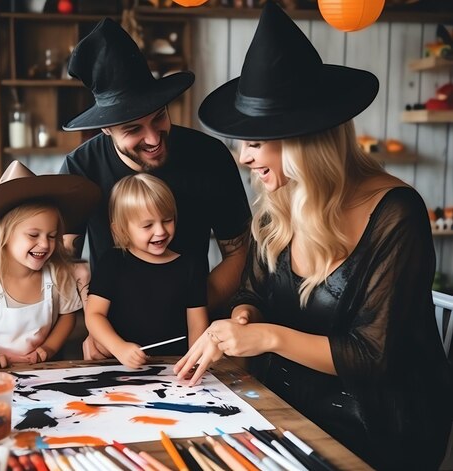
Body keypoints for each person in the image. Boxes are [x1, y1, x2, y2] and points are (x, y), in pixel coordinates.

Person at [174, 2, 453, 470]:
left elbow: (373, 356)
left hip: (378, 426)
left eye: (256, 142)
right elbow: (253, 293)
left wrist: (266, 338)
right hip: (289, 402)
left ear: (304, 142)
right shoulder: (277, 204)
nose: (244, 158)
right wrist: (242, 321)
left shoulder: (395, 214)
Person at [59, 18, 251, 359]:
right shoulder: (80, 168)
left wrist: (190, 303)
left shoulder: (210, 157)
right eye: (133, 129)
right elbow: (63, 261)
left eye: (159, 117)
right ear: (105, 129)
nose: (152, 138)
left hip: (201, 333)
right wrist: (96, 326)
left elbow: (239, 252)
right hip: (115, 342)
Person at [0, 160, 100, 369]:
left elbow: (67, 316)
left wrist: (49, 348)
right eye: (33, 235)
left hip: (40, 371)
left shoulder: (57, 275)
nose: (45, 244)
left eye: (52, 235)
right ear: (5, 237)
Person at [85, 174, 209, 368]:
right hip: (119, 366)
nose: (160, 231)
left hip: (174, 368)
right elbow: (94, 315)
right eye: (147, 225)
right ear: (120, 230)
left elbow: (197, 326)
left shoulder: (190, 266)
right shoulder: (112, 262)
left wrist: (194, 364)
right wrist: (119, 348)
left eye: (167, 220)